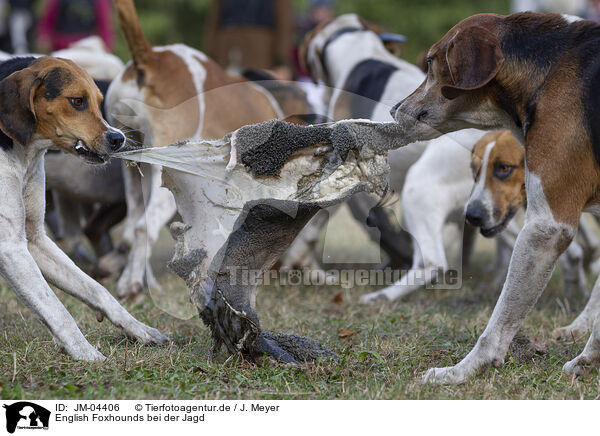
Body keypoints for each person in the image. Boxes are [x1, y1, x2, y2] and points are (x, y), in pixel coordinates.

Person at [204, 0, 293, 79]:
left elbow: (284, 23)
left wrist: (281, 62)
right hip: (225, 49)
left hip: (260, 51)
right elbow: (213, 22)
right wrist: (210, 55)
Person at [37, 0, 114, 52]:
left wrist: (106, 44)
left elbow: (104, 23)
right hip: (61, 46)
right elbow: (48, 18)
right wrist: (44, 35)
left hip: (85, 48)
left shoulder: (99, 1)